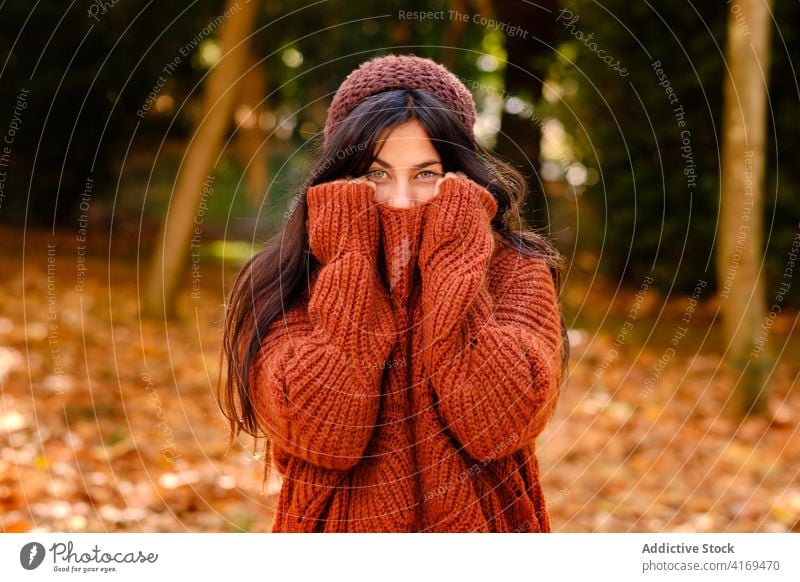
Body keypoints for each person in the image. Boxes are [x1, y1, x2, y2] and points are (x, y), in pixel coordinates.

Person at [218, 53, 570, 532]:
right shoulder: (290, 281)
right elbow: (322, 432)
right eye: (377, 175)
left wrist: (454, 262)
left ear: (461, 178)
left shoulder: (516, 273)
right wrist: (350, 259)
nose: (400, 200)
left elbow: (499, 424)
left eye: (426, 174)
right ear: (341, 180)